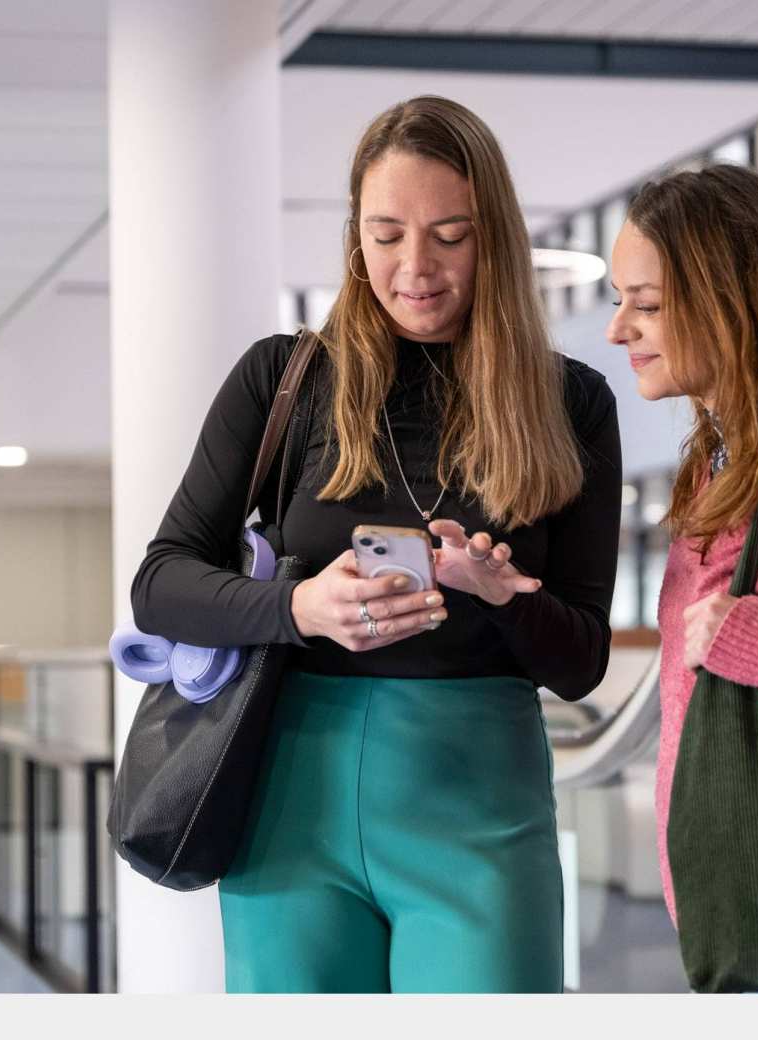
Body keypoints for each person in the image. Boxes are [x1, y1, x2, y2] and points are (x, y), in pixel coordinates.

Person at [132, 95, 622, 993]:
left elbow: (584, 659)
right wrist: (300, 607)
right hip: (290, 800)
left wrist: (504, 595)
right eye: (387, 234)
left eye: (449, 234)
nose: (416, 268)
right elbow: (160, 583)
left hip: (480, 803)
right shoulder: (284, 378)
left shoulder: (571, 401)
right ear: (355, 239)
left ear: (496, 238)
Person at [606, 163, 758, 974]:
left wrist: (756, 637)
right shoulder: (716, 462)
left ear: (736, 300)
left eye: (648, 304)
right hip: (737, 911)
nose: (618, 328)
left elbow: (734, 643)